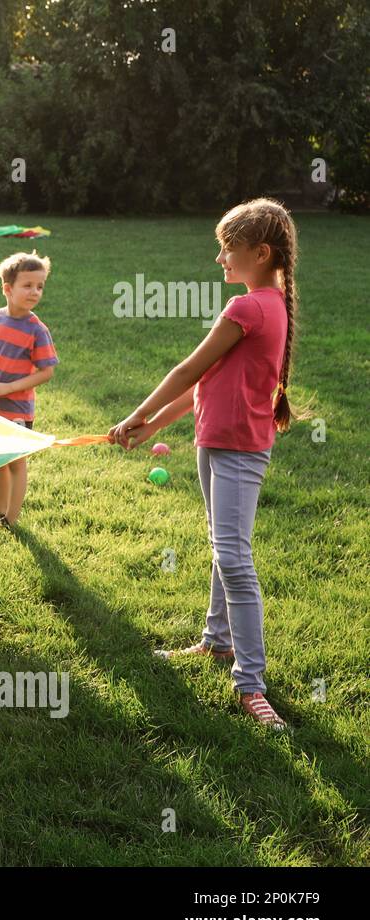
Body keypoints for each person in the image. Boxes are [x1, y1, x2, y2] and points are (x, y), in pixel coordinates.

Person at [110, 198, 300, 731]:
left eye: (228, 248)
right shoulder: (268, 301)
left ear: (259, 253)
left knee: (234, 559)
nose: (219, 258)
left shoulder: (249, 309)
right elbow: (203, 384)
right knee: (223, 545)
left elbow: (186, 367)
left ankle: (251, 684)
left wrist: (134, 413)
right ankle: (217, 643)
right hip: (216, 442)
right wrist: (152, 426)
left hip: (238, 449)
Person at [0, 251, 58, 527]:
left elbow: (47, 371)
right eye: (28, 285)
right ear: (8, 289)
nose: (35, 291)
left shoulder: (37, 330)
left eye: (40, 286)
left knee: (16, 461)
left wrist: (9, 387)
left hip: (19, 408)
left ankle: (11, 518)